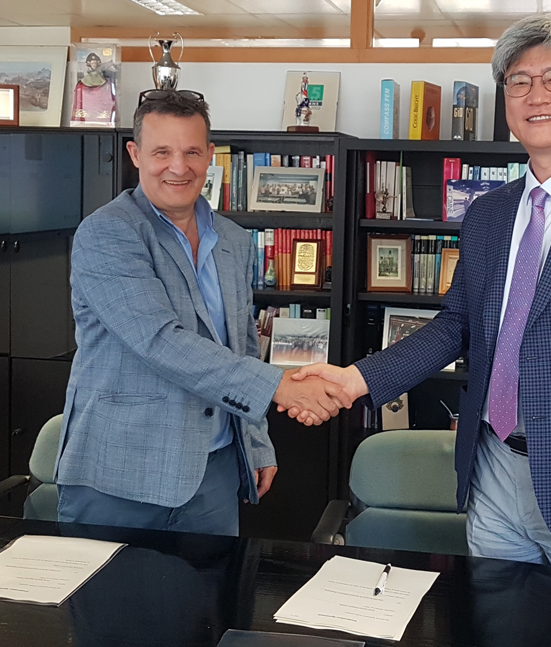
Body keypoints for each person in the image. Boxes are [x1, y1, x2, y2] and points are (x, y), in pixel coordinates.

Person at [288, 13, 551, 579]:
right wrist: (355, 380)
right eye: (518, 81)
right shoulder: (488, 213)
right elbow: (456, 325)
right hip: (491, 468)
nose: (536, 95)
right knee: (493, 616)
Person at [56, 90, 351, 536]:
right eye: (162, 152)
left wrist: (256, 442)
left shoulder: (233, 240)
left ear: (210, 155)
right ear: (135, 154)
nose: (179, 167)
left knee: (212, 586)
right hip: (120, 474)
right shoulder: (106, 234)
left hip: (213, 474)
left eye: (192, 152)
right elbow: (160, 341)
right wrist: (280, 388)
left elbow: (243, 345)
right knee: (109, 586)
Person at [71, 51, 117, 125]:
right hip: (84, 122)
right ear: (89, 64)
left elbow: (108, 102)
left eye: (95, 63)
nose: (94, 65)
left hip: (103, 121)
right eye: (92, 63)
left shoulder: (106, 84)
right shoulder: (81, 84)